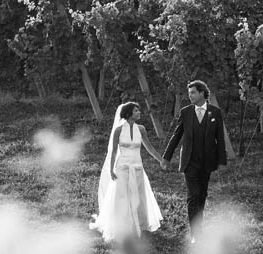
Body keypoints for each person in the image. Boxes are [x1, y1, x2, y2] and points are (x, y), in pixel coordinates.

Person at [162, 80, 227, 240]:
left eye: (193, 92)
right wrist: (166, 157)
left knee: (202, 195)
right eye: (189, 92)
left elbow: (220, 138)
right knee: (193, 195)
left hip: (207, 161)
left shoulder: (215, 112)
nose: (189, 95)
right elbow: (176, 135)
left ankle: (199, 226)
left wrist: (221, 161)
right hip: (189, 161)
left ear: (202, 93)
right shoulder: (186, 112)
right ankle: (195, 233)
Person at [90, 102, 164, 242]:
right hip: (122, 167)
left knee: (138, 196)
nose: (139, 113)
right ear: (129, 113)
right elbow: (113, 152)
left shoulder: (141, 129)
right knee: (123, 197)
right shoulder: (118, 130)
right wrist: (111, 169)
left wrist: (161, 160)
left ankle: (138, 225)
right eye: (136, 111)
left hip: (137, 167)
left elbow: (149, 147)